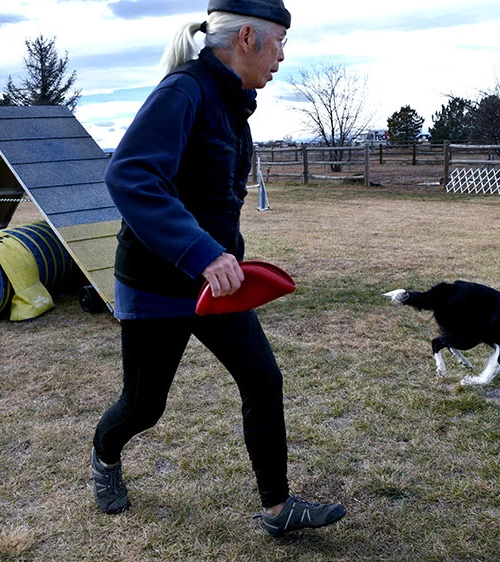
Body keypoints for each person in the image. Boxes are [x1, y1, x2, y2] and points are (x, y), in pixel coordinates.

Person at [91, 0, 346, 537]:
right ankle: (105, 457)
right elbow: (131, 176)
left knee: (262, 379)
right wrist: (202, 252)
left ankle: (277, 509)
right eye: (279, 41)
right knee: (143, 406)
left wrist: (226, 255)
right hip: (157, 282)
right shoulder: (183, 91)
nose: (283, 55)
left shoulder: (233, 100)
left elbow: (214, 194)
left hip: (217, 284)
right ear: (248, 37)